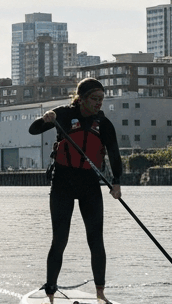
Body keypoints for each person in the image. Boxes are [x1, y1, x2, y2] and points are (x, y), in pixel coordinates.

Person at [29, 77, 122, 303]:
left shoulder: (105, 124)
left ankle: (100, 293)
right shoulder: (63, 114)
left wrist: (117, 182)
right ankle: (50, 292)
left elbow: (114, 154)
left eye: (101, 99)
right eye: (94, 99)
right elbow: (33, 130)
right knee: (59, 240)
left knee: (96, 240)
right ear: (81, 98)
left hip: (90, 185)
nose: (99, 103)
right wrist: (45, 118)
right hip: (63, 184)